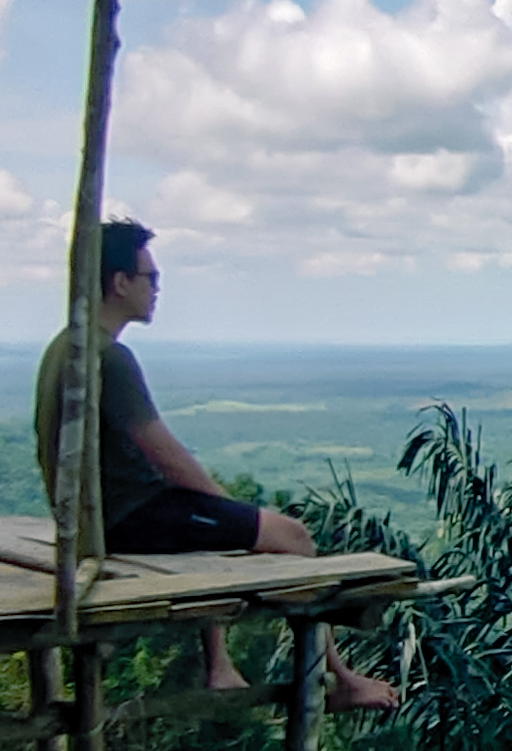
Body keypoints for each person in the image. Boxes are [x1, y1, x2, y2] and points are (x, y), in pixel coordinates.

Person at [34, 219, 397, 706]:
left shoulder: (65, 346)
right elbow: (166, 455)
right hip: (128, 519)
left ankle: (221, 665)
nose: (157, 289)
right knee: (291, 537)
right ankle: (340, 681)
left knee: (220, 528)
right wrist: (227, 505)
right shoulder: (112, 358)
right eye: (150, 278)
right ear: (119, 282)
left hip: (94, 520)